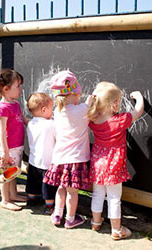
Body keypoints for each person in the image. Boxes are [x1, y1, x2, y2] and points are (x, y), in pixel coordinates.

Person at [86, 81, 144, 240]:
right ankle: (117, 230)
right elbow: (138, 111)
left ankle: (96, 222)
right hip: (114, 165)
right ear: (115, 103)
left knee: (97, 193)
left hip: (98, 163)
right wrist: (139, 98)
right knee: (114, 198)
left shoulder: (93, 120)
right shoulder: (120, 120)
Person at [43, 70, 90, 229]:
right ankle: (70, 219)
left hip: (59, 159)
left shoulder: (58, 111)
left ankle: (57, 215)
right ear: (76, 94)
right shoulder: (83, 109)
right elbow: (93, 104)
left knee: (61, 188)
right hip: (75, 160)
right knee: (72, 192)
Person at [0, 68, 29, 211]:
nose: (20, 89)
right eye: (18, 86)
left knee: (14, 171)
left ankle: (13, 194)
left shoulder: (15, 104)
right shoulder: (3, 107)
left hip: (17, 146)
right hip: (8, 148)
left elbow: (24, 120)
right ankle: (5, 199)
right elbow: (1, 132)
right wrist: (5, 152)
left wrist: (37, 121)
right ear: (6, 89)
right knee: (6, 173)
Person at [26, 92, 58, 214]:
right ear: (44, 110)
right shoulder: (51, 124)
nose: (52, 111)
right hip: (47, 161)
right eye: (51, 108)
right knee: (48, 185)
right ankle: (49, 206)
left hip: (34, 160)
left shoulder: (31, 124)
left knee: (33, 182)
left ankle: (31, 199)